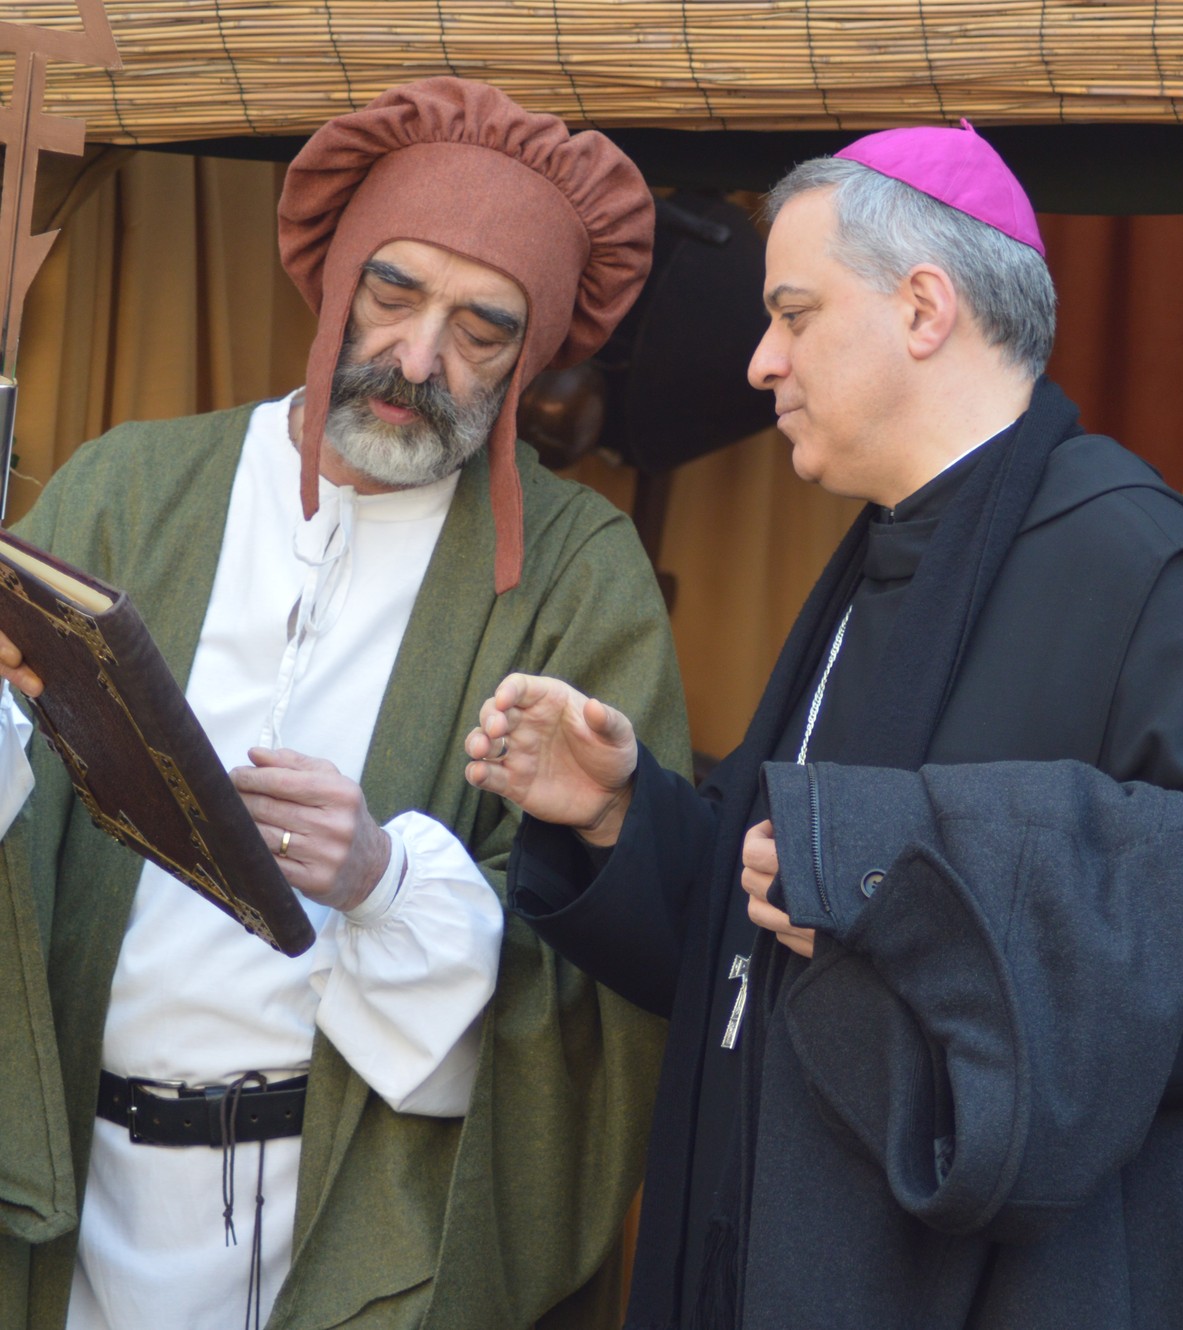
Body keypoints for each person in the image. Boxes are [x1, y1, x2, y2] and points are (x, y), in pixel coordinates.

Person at [466, 123, 1183, 1328]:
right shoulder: (879, 556)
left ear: (922, 308)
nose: (759, 362)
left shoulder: (1144, 568)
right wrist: (621, 814)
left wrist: (906, 867)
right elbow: (777, 930)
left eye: (792, 315)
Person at [0, 78, 687, 1330]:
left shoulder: (578, 575)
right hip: (71, 1206)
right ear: (333, 281)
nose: (419, 360)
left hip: (356, 1230)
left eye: (482, 329)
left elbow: (611, 970)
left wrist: (382, 878)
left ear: (533, 354)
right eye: (394, 292)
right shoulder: (129, 488)